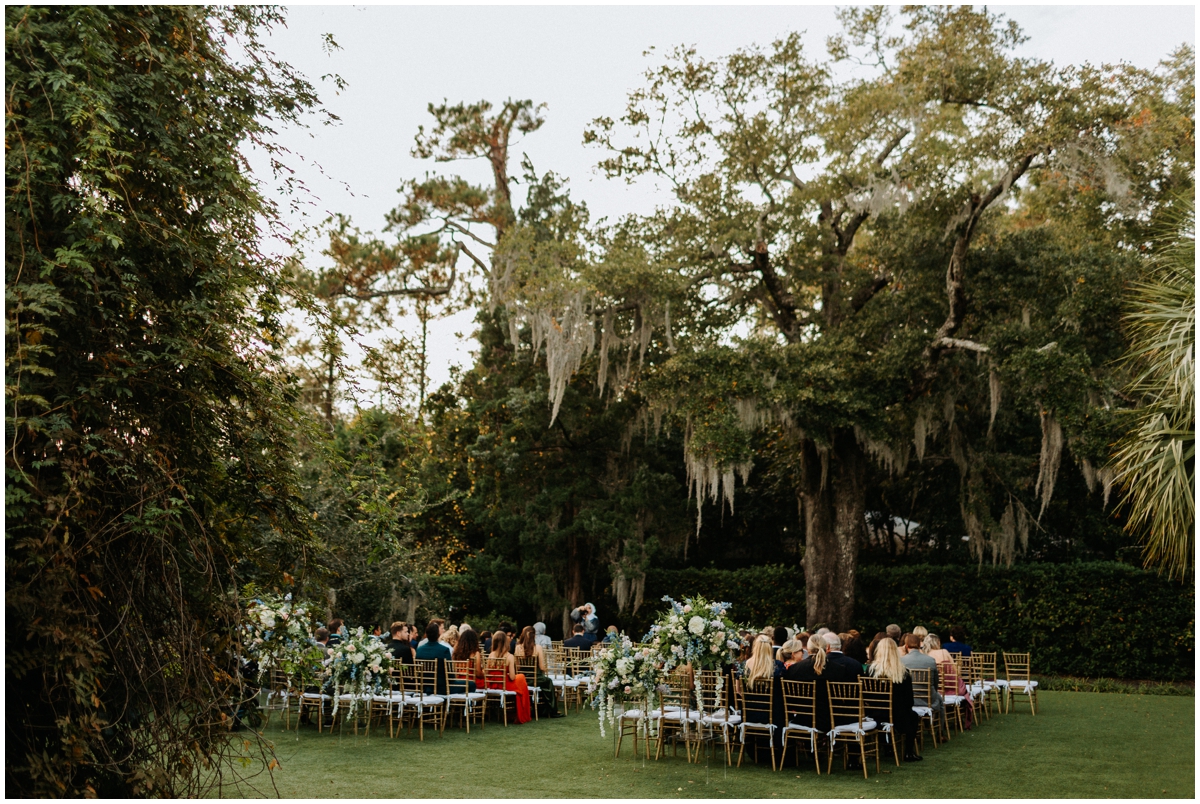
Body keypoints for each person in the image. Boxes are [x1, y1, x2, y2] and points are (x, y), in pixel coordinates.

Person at [867, 638, 922, 762]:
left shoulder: (870, 671)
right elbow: (909, 701)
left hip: (874, 714)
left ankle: (888, 748)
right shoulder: (903, 673)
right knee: (913, 716)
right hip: (897, 715)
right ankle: (909, 752)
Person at [784, 634, 831, 732]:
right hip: (829, 720)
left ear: (808, 650)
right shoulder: (838, 669)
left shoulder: (794, 669)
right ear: (826, 648)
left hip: (802, 719)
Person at [514, 626, 563, 718]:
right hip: (536, 678)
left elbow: (518, 667)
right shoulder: (538, 648)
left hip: (523, 679)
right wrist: (545, 669)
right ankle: (551, 710)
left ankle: (539, 708)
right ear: (534, 636)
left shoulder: (517, 648)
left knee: (545, 682)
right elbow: (541, 666)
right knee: (548, 682)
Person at [486, 631, 532, 724]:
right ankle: (521, 712)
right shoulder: (509, 656)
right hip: (504, 684)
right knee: (521, 677)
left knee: (520, 678)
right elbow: (512, 677)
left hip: (492, 684)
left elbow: (487, 672)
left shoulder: (491, 655)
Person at [900, 634, 943, 715]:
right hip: (928, 700)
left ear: (906, 646)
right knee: (940, 701)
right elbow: (935, 682)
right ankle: (941, 725)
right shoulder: (930, 660)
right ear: (920, 644)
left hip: (908, 699)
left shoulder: (901, 661)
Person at [415, 621, 453, 695]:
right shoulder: (444, 650)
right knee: (471, 685)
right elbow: (450, 672)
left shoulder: (419, 649)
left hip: (424, 686)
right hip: (441, 687)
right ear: (438, 634)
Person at [451, 628, 483, 692]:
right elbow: (478, 673)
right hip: (471, 681)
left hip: (458, 681)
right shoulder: (475, 653)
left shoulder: (455, 653)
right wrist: (484, 673)